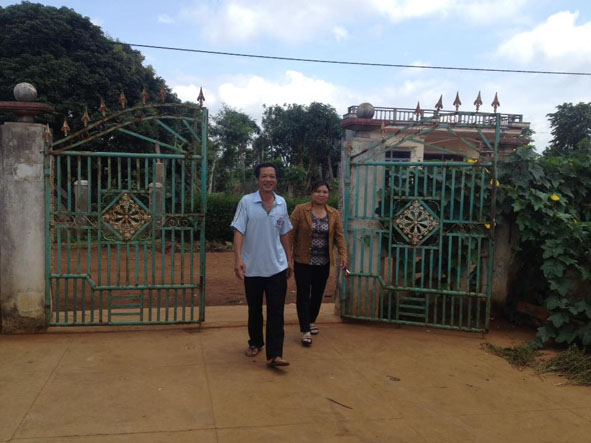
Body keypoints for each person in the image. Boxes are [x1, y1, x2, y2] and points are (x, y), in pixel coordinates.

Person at [230, 163, 293, 367]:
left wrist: (289, 259)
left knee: (276, 311)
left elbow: (284, 232)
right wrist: (238, 259)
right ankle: (256, 342)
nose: (268, 179)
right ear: (257, 179)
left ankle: (275, 354)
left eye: (272, 176)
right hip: (253, 267)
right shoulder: (247, 202)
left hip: (277, 267)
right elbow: (239, 230)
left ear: (276, 180)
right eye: (264, 176)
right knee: (255, 309)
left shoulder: (281, 203)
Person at [290, 181, 347, 346]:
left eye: (324, 192)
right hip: (303, 261)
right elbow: (289, 234)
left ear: (328, 194)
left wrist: (343, 254)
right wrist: (287, 258)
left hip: (323, 262)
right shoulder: (300, 210)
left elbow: (339, 236)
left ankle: (311, 320)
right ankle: (305, 330)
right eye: (318, 191)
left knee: (317, 294)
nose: (321, 195)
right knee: (303, 294)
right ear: (312, 193)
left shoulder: (333, 213)